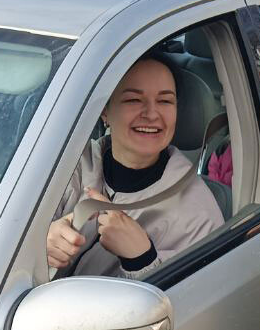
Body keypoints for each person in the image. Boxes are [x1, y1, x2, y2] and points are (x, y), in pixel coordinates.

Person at [47, 56, 223, 279]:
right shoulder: (68, 166)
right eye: (133, 100)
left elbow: (199, 301)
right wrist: (41, 242)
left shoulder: (198, 213)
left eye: (165, 101)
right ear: (105, 111)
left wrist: (143, 259)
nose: (151, 114)